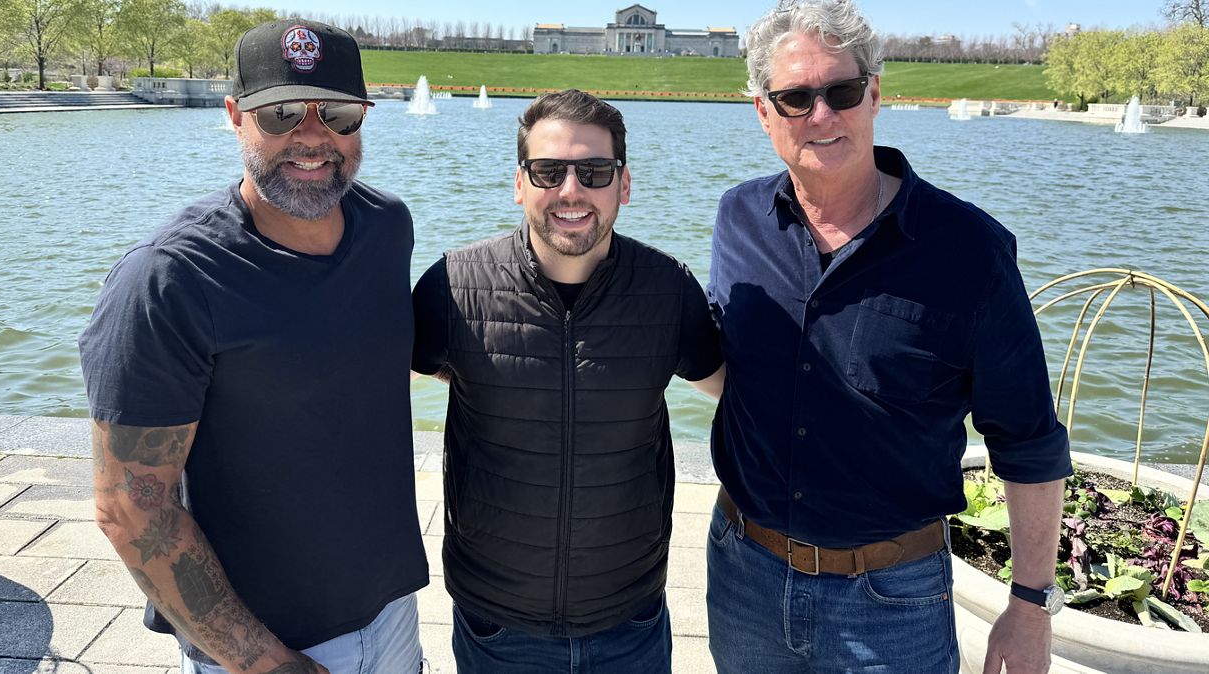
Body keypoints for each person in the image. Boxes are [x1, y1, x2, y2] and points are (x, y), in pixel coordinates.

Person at [705, 2, 1071, 673]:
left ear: (875, 94)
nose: (821, 115)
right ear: (764, 113)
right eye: (794, 98)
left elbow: (1028, 440)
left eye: (841, 92)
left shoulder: (969, 251)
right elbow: (721, 358)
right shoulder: (737, 219)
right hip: (744, 575)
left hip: (891, 602)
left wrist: (1029, 605)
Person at [80, 19, 427, 674]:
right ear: (236, 116)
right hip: (263, 644)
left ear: (363, 119)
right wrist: (264, 663)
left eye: (339, 113)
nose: (312, 135)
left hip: (392, 611)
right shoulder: (167, 280)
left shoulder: (387, 227)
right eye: (282, 112)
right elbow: (129, 508)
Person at [411, 89, 724, 673]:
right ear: (520, 183)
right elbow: (376, 375)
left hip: (628, 615)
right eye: (549, 171)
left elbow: (735, 393)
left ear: (623, 185)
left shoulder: (667, 289)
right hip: (497, 619)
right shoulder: (453, 285)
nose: (571, 191)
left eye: (594, 172)